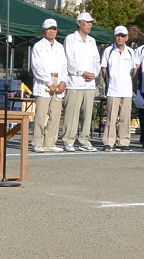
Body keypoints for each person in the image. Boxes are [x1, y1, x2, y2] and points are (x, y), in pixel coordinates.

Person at [59, 11, 99, 152]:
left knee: (87, 114)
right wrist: (82, 72)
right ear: (79, 23)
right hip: (75, 82)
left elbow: (96, 61)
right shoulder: (70, 39)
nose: (89, 25)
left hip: (89, 84)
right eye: (87, 22)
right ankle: (68, 140)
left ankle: (84, 139)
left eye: (91, 23)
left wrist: (94, 73)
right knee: (72, 113)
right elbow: (70, 60)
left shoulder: (92, 41)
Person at [29, 19, 67, 153]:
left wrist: (63, 81)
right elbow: (36, 67)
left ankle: (50, 142)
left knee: (55, 115)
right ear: (44, 30)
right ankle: (37, 142)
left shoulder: (60, 47)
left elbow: (64, 66)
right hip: (44, 81)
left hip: (58, 79)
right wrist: (49, 82)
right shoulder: (38, 46)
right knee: (41, 114)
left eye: (54, 28)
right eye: (49, 28)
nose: (52, 31)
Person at [100, 26, 137, 151]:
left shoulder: (131, 52)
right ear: (114, 37)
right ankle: (109, 141)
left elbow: (134, 69)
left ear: (126, 37)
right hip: (113, 89)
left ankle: (123, 142)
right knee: (111, 116)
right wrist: (108, 82)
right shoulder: (108, 51)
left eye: (122, 35)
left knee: (125, 117)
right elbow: (104, 68)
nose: (120, 38)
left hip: (126, 90)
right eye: (118, 35)